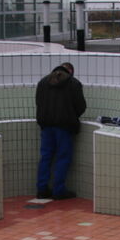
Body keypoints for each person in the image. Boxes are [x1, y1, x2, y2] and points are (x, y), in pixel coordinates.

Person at [35, 61, 86, 199]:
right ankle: (59, 191)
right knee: (63, 158)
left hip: (46, 126)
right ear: (71, 72)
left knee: (46, 157)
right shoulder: (73, 83)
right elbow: (81, 106)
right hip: (64, 127)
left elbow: (38, 102)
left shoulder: (43, 82)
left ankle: (42, 189)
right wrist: (71, 115)